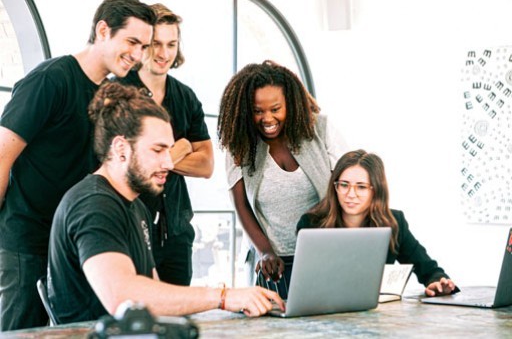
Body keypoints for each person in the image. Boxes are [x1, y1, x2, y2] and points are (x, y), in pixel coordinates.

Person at [47, 82, 283, 324]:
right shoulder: (94, 205)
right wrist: (223, 297)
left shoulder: (136, 207)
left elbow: (156, 293)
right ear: (120, 148)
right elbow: (124, 298)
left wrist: (234, 302)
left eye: (169, 150)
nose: (169, 163)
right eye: (158, 150)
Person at [0, 0, 156, 330]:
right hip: (29, 238)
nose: (139, 55)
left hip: (78, 241)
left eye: (144, 46)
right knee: (21, 332)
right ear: (103, 30)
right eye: (132, 42)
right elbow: (1, 156)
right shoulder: (49, 80)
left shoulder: (117, 92)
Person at [217, 60, 348, 298]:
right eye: (258, 111)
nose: (267, 118)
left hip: (325, 254)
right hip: (275, 265)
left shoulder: (320, 129)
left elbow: (346, 188)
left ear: (291, 103)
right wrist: (265, 252)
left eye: (275, 109)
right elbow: (241, 205)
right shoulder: (239, 144)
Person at [116, 3, 213, 286]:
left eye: (171, 44)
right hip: (129, 227)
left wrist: (158, 157)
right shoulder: (118, 93)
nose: (164, 53)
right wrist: (182, 148)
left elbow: (207, 164)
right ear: (143, 44)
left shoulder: (186, 97)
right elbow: (121, 163)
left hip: (177, 232)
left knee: (176, 320)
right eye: (155, 44)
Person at [297, 149, 458, 297]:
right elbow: (304, 283)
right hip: (322, 313)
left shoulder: (394, 223)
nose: (350, 194)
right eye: (344, 185)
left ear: (376, 190)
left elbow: (428, 270)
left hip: (374, 315)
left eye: (361, 187)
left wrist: (437, 282)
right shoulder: (312, 224)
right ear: (335, 187)